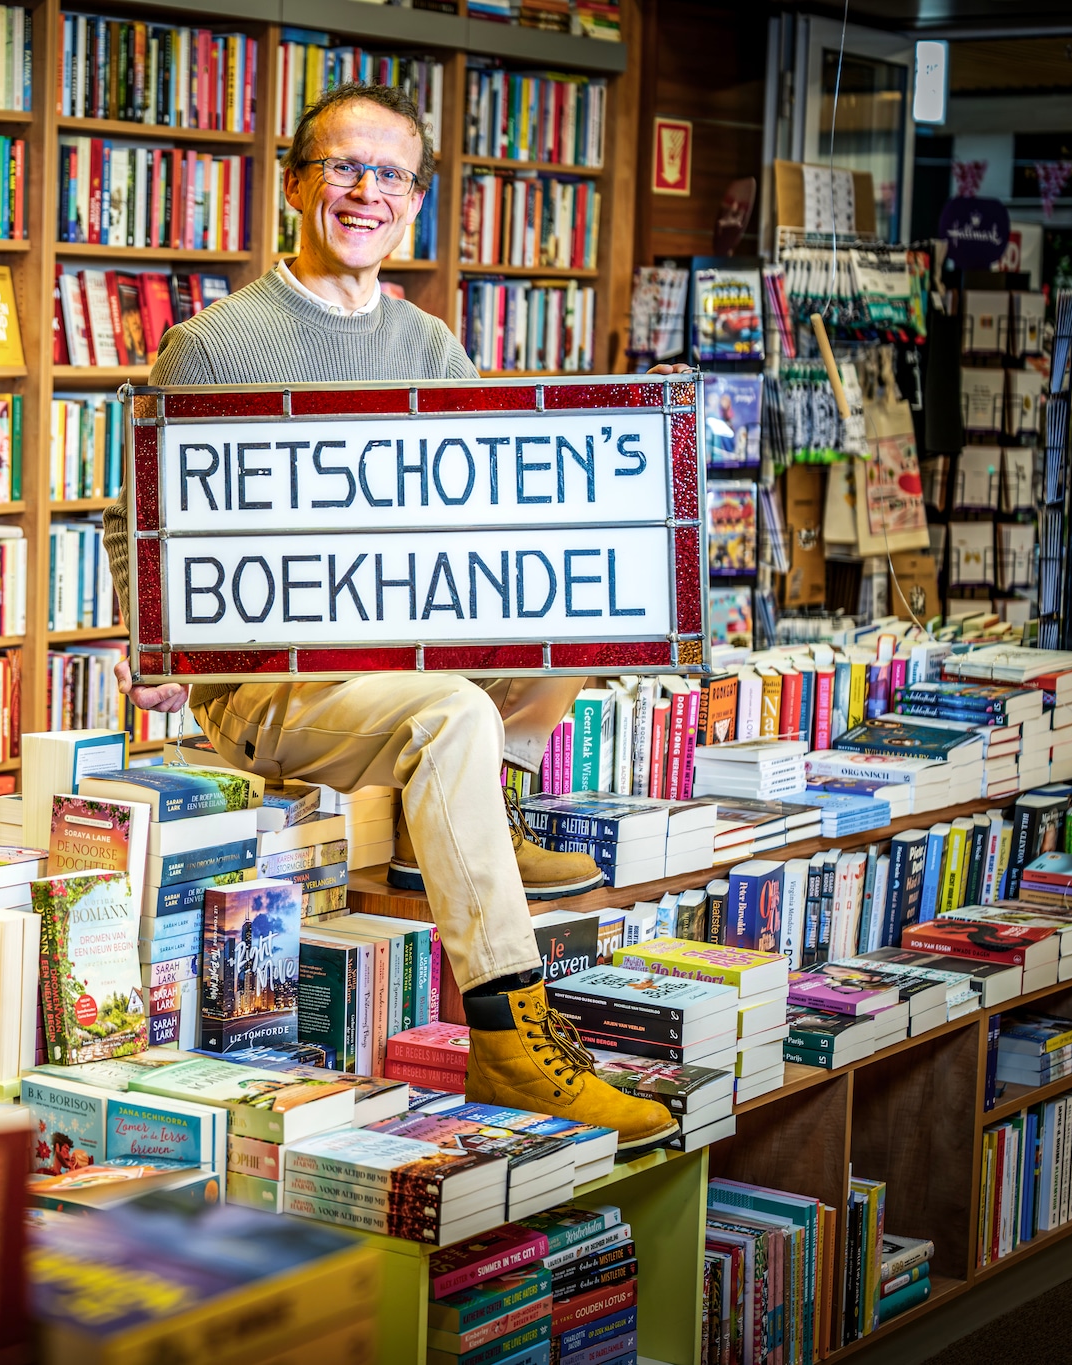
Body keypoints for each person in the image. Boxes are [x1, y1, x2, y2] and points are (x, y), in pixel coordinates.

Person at [103, 83, 686, 1148]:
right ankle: (512, 1038)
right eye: (343, 166)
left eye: (390, 175)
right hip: (277, 687)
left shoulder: (428, 343)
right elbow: (134, 522)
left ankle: (471, 818)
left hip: (406, 648)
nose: (365, 191)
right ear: (295, 184)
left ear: (414, 203)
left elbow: (480, 503)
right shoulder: (212, 346)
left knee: (586, 611)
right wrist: (155, 642)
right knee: (453, 711)